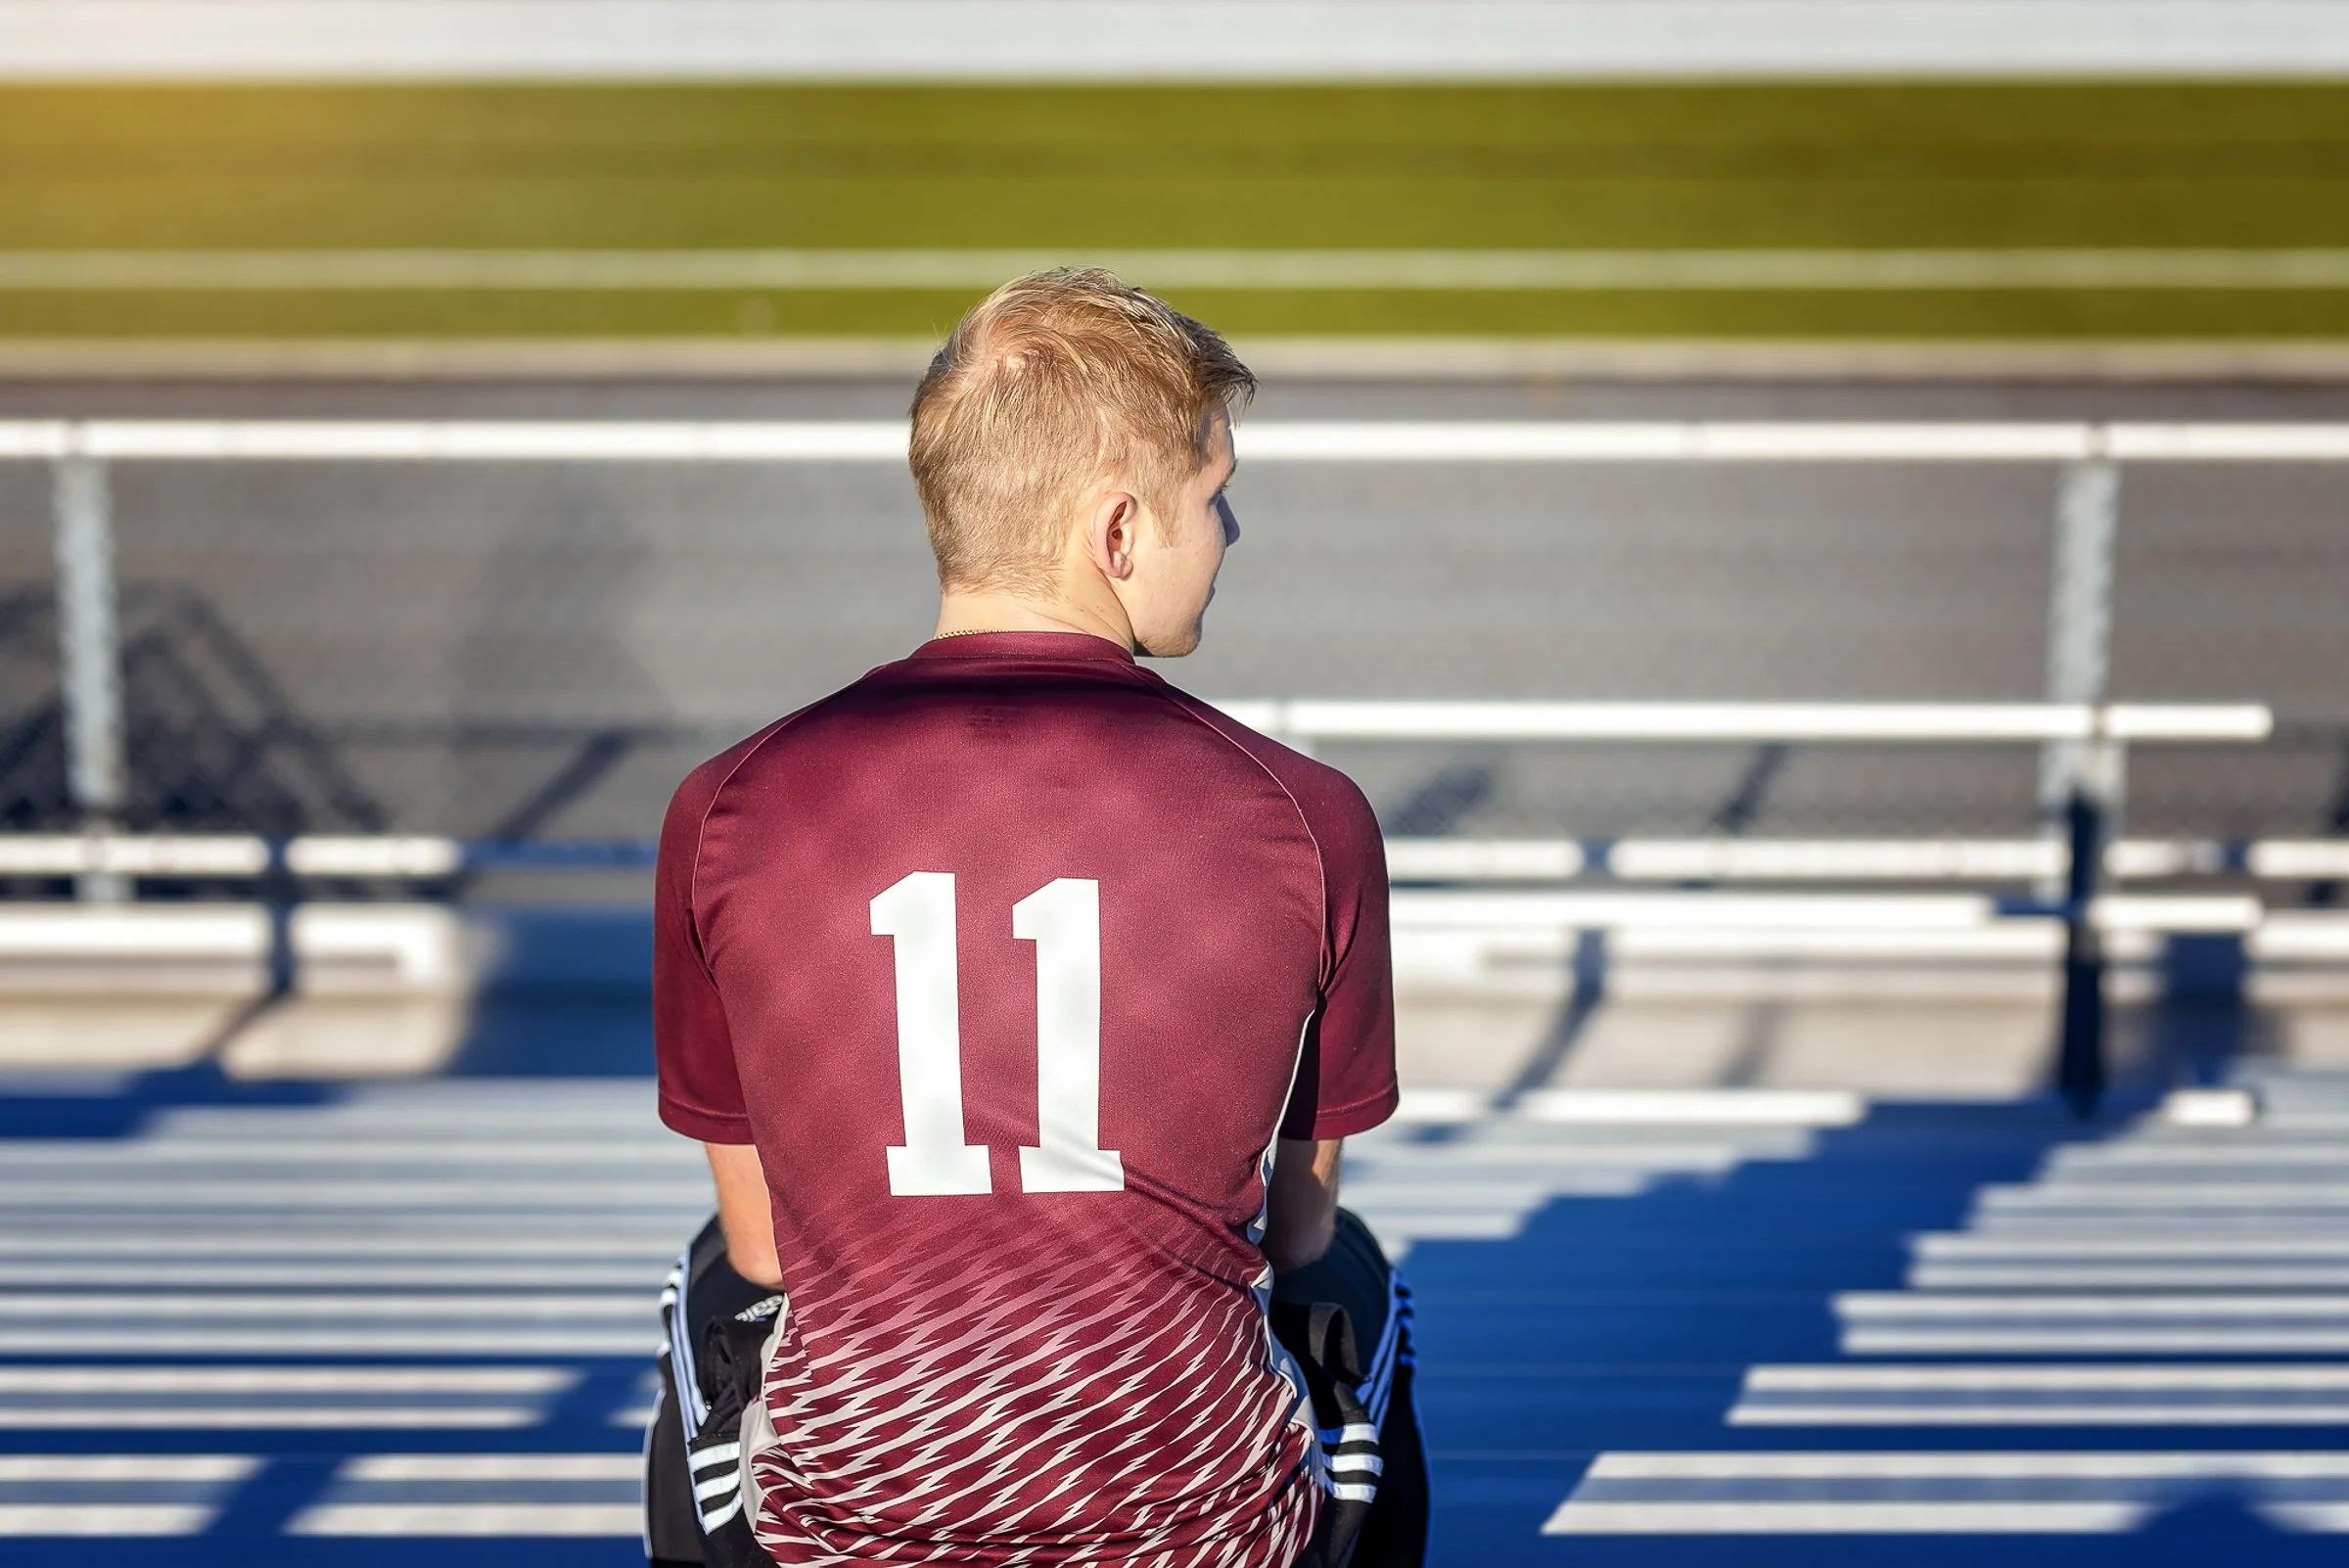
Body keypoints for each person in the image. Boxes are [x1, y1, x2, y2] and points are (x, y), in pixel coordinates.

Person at [645, 268, 1424, 1568]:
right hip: (1194, 1540)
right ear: (1115, 533)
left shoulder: (725, 806)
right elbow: (1293, 1236)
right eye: (1211, 494)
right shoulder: (1308, 815)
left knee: (708, 1286)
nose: (1230, 530)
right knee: (1353, 1278)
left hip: (850, 1542)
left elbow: (763, 1245)